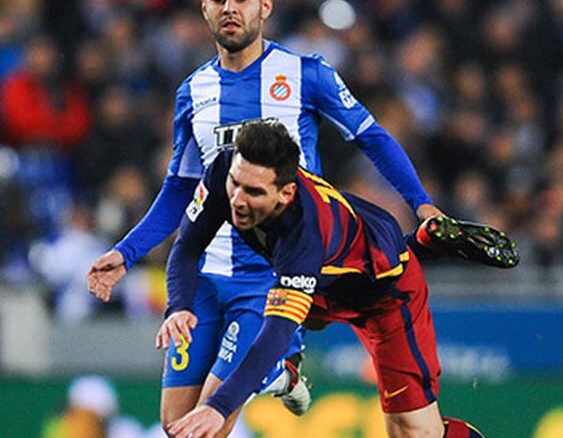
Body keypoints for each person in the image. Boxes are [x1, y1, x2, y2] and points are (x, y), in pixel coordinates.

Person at [86, 0, 514, 437]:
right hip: (213, 272)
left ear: (265, 5)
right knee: (174, 426)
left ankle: (281, 360)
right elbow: (181, 190)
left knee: (209, 421)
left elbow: (371, 136)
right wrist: (127, 252)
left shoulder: (306, 74)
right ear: (203, 7)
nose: (230, 8)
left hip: (279, 271)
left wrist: (422, 203)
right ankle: (281, 368)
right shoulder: (193, 91)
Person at [163, 121, 486, 438]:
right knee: (289, 309)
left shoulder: (305, 233)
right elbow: (187, 247)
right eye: (236, 183)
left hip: (386, 295)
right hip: (321, 282)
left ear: (287, 193)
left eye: (254, 192)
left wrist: (217, 407)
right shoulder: (225, 169)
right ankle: (279, 370)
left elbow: (278, 330)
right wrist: (178, 305)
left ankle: (423, 244)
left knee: (415, 433)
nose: (237, 200)